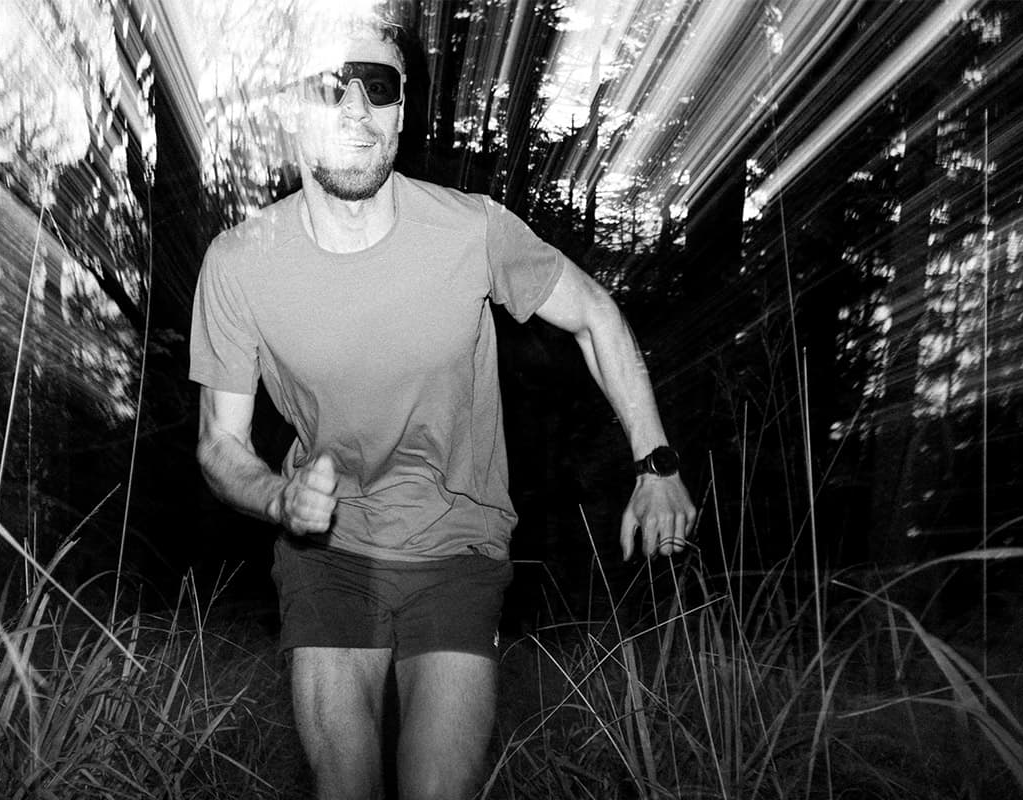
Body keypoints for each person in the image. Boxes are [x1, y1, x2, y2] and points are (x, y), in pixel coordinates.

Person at [188, 18, 697, 800]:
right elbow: (222, 444)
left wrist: (655, 460)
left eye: (379, 86)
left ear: (401, 113)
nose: (355, 107)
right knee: (345, 783)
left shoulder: (471, 231)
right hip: (328, 552)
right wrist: (279, 497)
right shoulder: (239, 263)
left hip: (459, 547)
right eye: (330, 86)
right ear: (295, 110)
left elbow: (593, 312)